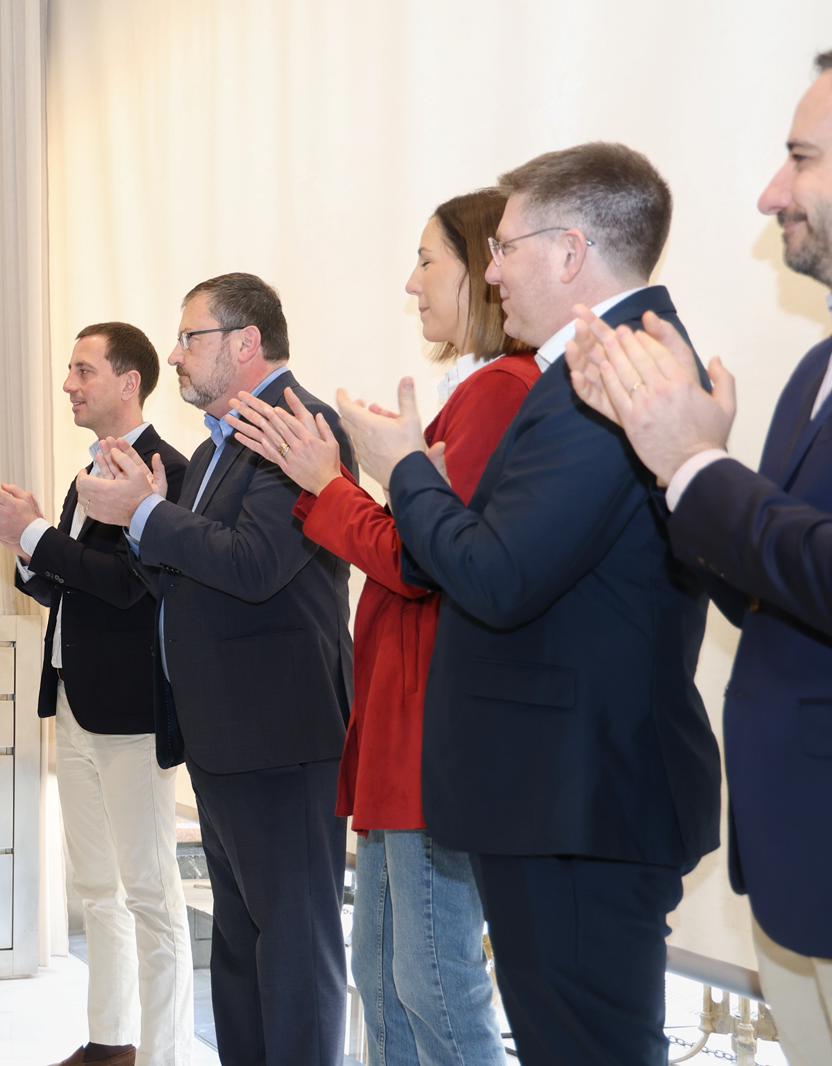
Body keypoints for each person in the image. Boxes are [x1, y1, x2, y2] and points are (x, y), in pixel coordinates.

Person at [334, 143, 722, 1066]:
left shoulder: (615, 376)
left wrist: (407, 471)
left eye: (505, 247)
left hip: (583, 796)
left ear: (572, 251)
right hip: (562, 791)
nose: (492, 268)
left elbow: (499, 575)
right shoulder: (587, 370)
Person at [563, 50, 832, 1064]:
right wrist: (666, 459)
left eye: (799, 158)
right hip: (797, 856)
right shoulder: (813, 367)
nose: (769, 193)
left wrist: (700, 463)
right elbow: (774, 590)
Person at [231, 188, 531, 1066]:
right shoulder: (473, 395)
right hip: (402, 718)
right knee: (388, 974)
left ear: (483, 268)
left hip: (431, 722)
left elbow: (416, 560)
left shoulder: (498, 395)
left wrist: (331, 482)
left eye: (428, 260)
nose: (411, 283)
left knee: (433, 985)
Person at [77, 273, 355, 1065]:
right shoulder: (215, 448)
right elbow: (186, 584)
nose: (176, 355)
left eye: (190, 338)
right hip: (226, 734)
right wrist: (142, 526)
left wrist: (144, 515)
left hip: (283, 734)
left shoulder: (298, 427)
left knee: (295, 950)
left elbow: (258, 563)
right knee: (238, 951)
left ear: (245, 343)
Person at [0, 323, 192, 1066]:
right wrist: (25, 543)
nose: (69, 384)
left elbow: (131, 588)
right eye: (68, 370)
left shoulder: (167, 470)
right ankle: (110, 1042)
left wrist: (36, 532)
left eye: (83, 370)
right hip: (72, 698)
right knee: (96, 887)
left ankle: (162, 1054)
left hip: (129, 711)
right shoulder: (86, 473)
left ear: (129, 383)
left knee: (151, 897)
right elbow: (67, 584)